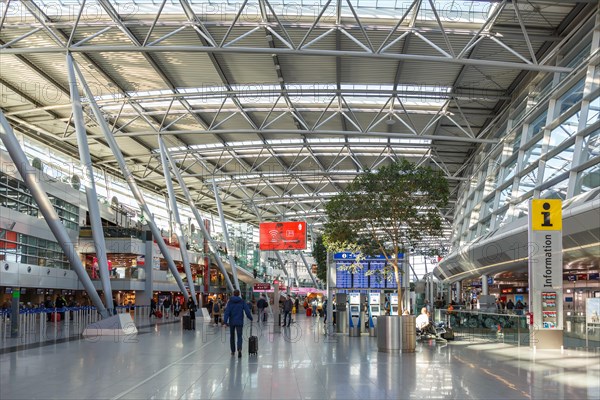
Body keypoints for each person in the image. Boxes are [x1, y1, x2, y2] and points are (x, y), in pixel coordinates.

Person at [223, 290, 253, 358]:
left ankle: (233, 351)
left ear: (233, 294)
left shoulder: (230, 302)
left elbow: (227, 312)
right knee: (239, 336)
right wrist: (250, 318)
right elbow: (247, 311)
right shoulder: (242, 301)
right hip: (239, 321)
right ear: (239, 294)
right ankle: (239, 349)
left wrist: (225, 322)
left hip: (232, 322)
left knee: (232, 336)